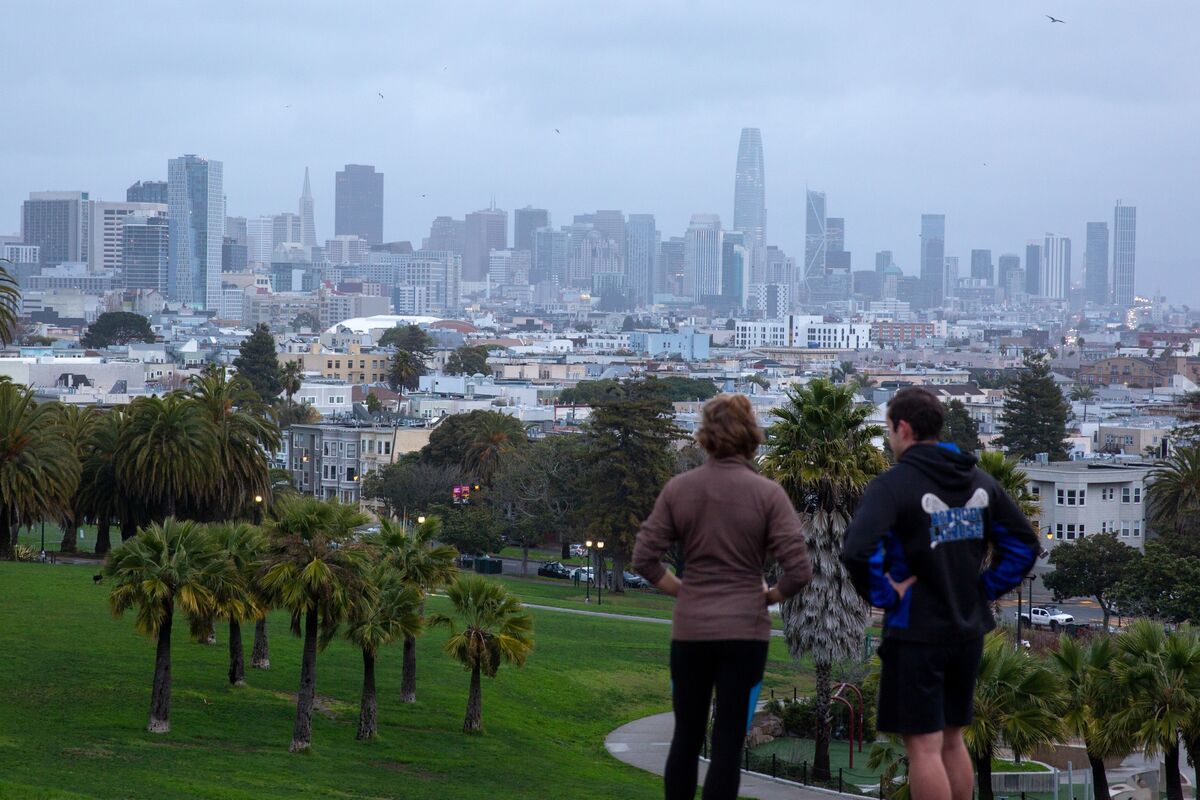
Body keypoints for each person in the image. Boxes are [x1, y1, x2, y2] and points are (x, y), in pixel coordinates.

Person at [841, 387, 1039, 800]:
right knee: (953, 739)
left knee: (923, 747)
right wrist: (982, 588)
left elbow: (858, 549)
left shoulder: (893, 486)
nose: (889, 438)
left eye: (889, 430)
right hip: (967, 632)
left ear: (905, 428)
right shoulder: (978, 480)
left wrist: (885, 593)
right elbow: (1023, 545)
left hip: (915, 631)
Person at [633, 393, 812, 800]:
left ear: (705, 436)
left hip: (692, 629)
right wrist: (768, 596)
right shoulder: (767, 495)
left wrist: (683, 590)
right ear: (752, 435)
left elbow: (644, 558)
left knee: (686, 738)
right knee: (729, 744)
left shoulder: (680, 489)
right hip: (746, 632)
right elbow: (799, 570)